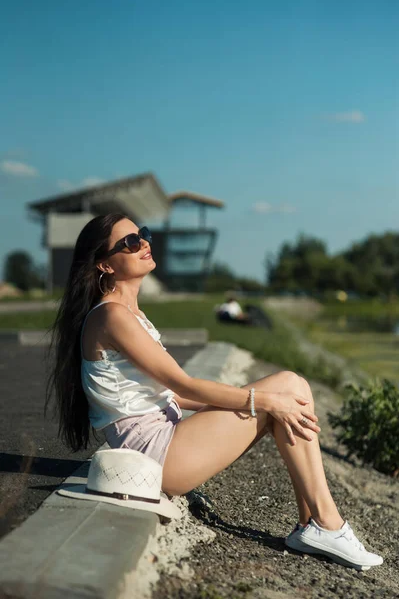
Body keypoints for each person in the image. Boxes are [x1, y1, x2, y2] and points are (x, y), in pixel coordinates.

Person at [45, 213, 383, 572]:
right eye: (129, 242)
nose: (143, 243)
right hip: (155, 456)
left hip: (165, 441)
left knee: (292, 388)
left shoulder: (131, 312)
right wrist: (261, 400)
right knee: (284, 389)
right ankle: (327, 524)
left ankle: (311, 524)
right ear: (104, 264)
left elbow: (173, 396)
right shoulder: (112, 316)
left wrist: (255, 398)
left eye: (142, 235)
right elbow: (183, 385)